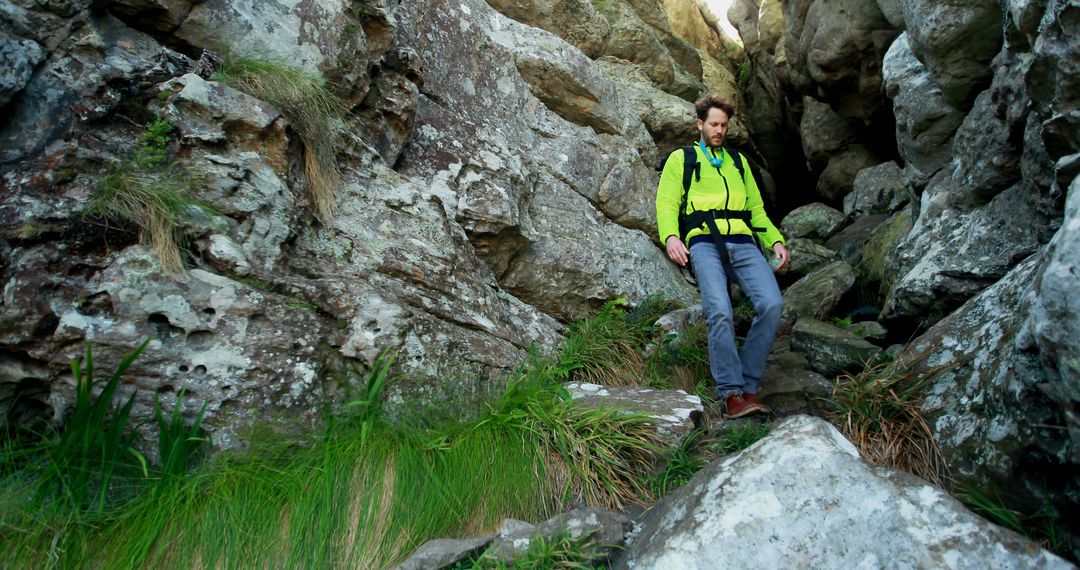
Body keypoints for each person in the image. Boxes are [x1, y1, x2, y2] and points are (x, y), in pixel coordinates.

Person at [655, 94, 789, 419]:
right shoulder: (682, 159)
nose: (719, 130)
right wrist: (671, 236)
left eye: (724, 125)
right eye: (713, 124)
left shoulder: (738, 163)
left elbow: (756, 210)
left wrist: (775, 241)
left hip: (743, 241)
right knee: (719, 311)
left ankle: (749, 384)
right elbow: (667, 203)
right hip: (704, 243)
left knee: (772, 304)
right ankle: (731, 395)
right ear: (700, 124)